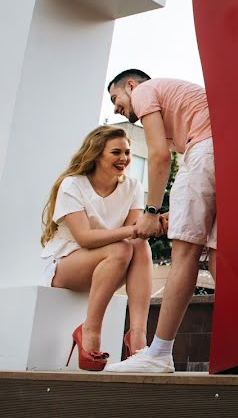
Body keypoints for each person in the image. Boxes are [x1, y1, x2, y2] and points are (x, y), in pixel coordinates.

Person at [104, 69, 216, 373]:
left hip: (205, 149)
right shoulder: (176, 110)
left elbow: (158, 157)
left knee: (185, 256)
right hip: (225, 152)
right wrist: (169, 214)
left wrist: (151, 212)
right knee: (218, 258)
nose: (115, 108)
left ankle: (159, 354)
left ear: (130, 85)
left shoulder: (144, 92)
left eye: (115, 98)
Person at [41, 125, 156, 371]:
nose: (124, 158)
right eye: (116, 152)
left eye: (127, 152)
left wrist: (148, 226)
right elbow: (84, 238)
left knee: (138, 246)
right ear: (96, 154)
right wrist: (138, 228)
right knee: (123, 248)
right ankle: (89, 331)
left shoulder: (133, 186)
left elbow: (132, 237)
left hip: (110, 264)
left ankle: (137, 338)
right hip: (66, 265)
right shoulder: (73, 185)